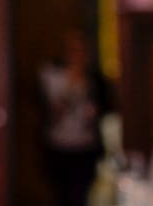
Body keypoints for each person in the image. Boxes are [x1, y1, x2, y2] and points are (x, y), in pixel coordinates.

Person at [37, 30, 113, 206]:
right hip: (59, 145)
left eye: (81, 50)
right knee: (63, 195)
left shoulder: (95, 78)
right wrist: (73, 83)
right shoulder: (51, 74)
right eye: (73, 50)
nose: (78, 55)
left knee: (82, 194)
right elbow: (52, 112)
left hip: (87, 147)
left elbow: (108, 107)